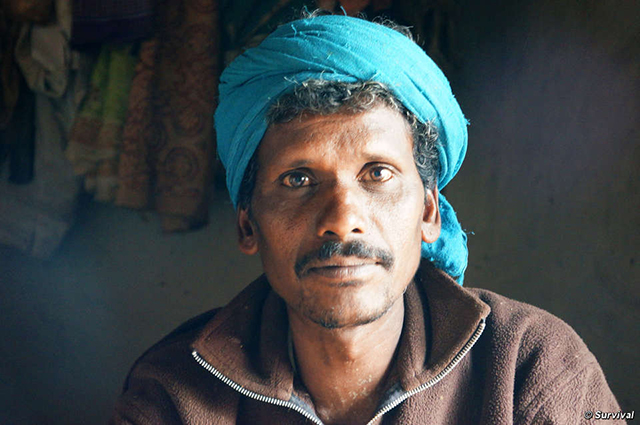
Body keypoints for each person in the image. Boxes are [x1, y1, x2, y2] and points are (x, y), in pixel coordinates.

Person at [110, 14, 622, 425]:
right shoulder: (173, 392)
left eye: (377, 174)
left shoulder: (532, 366)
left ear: (427, 212)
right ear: (248, 224)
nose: (342, 219)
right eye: (298, 180)